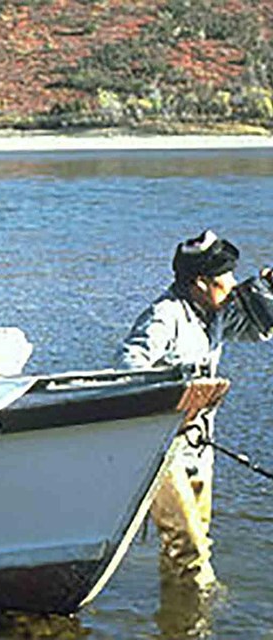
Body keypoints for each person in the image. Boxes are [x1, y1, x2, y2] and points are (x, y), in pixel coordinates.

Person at [115, 229, 273, 589]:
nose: (232, 286)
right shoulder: (164, 316)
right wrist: (170, 396)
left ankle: (178, 618)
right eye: (224, 279)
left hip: (200, 448)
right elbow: (126, 366)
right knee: (190, 551)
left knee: (197, 536)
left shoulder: (214, 314)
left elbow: (260, 329)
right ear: (200, 282)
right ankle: (206, 610)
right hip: (162, 450)